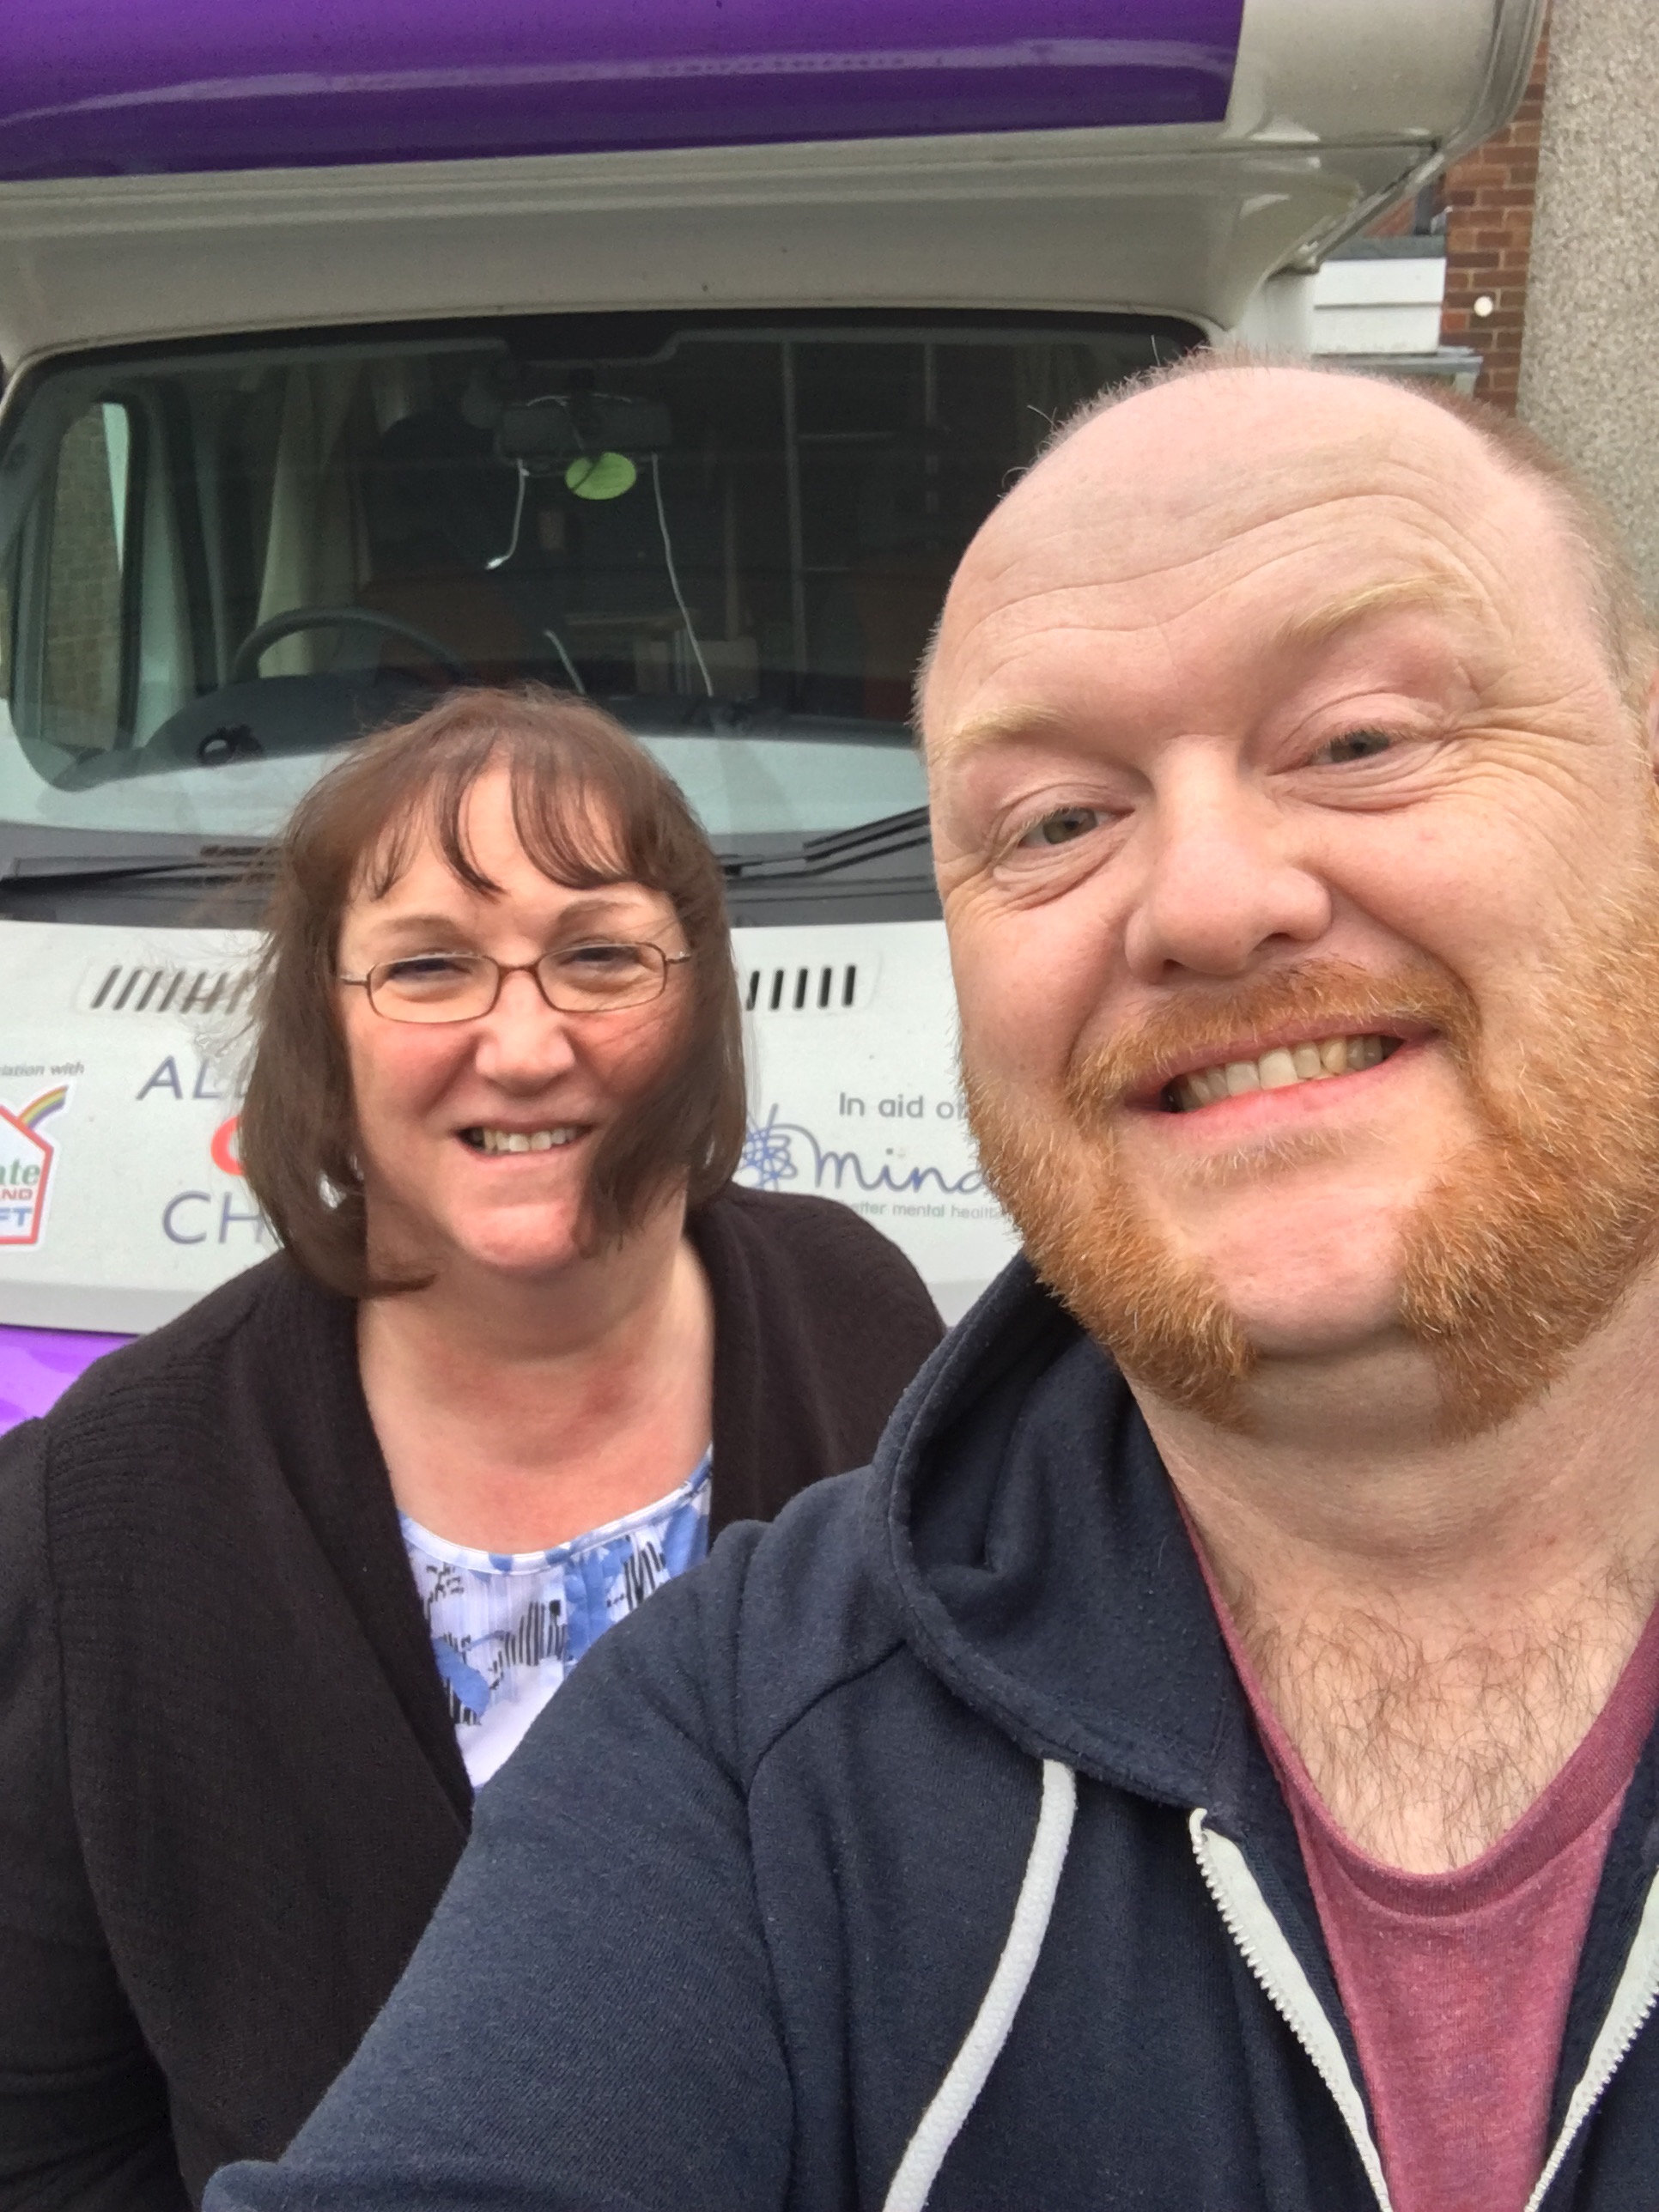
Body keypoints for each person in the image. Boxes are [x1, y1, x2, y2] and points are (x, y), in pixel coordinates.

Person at [204, 356, 1659, 2212]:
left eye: (1362, 738)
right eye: (1053, 820)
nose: (1210, 903)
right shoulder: (748, 1739)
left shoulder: (838, 1304)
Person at [0, 687, 942, 2209]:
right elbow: (41, 2131)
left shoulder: (867, 1324)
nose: (522, 1044)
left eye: (598, 956)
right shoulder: (104, 1504)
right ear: (325, 1031)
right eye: (429, 965)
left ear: (698, 1003)